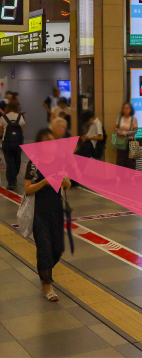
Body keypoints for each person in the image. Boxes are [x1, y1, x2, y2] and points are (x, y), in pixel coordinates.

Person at [25, 129, 71, 301]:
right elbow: (27, 189)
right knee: (44, 248)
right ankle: (47, 285)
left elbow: (67, 185)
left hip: (56, 211)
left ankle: (44, 271)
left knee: (57, 250)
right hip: (39, 212)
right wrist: (44, 182)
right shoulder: (33, 164)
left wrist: (64, 181)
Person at [0, 99, 25, 190]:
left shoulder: (3, 117)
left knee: (9, 162)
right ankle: (14, 177)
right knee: (17, 161)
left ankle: (11, 182)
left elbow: (1, 132)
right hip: (18, 143)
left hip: (7, 143)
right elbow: (22, 130)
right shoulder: (20, 117)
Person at [114, 102, 138, 170]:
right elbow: (115, 128)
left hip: (131, 142)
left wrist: (125, 133)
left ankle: (131, 175)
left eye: (128, 108)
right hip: (121, 141)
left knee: (131, 162)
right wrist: (119, 132)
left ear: (131, 109)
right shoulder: (120, 118)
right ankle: (121, 175)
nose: (126, 110)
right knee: (120, 161)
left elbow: (135, 131)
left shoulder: (133, 119)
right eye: (124, 108)